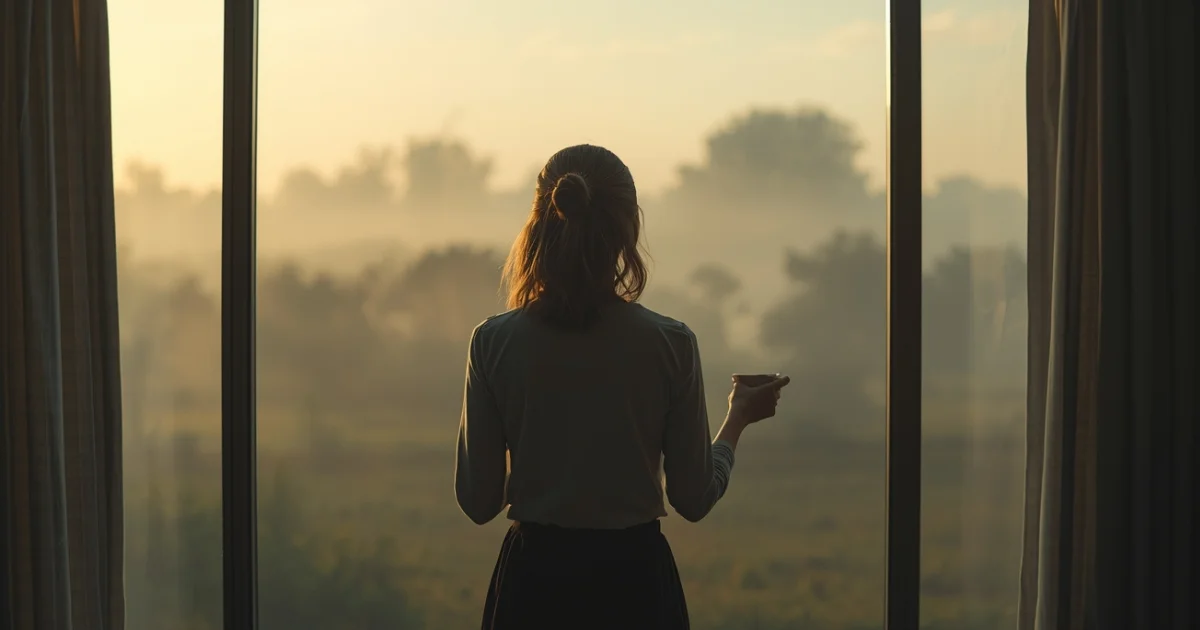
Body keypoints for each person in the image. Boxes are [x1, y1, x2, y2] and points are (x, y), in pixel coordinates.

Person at [454, 144, 791, 629]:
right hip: (635, 586)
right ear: (627, 229)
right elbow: (694, 500)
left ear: (540, 222)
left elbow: (477, 502)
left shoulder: (493, 342)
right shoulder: (669, 343)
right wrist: (737, 418)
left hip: (533, 587)